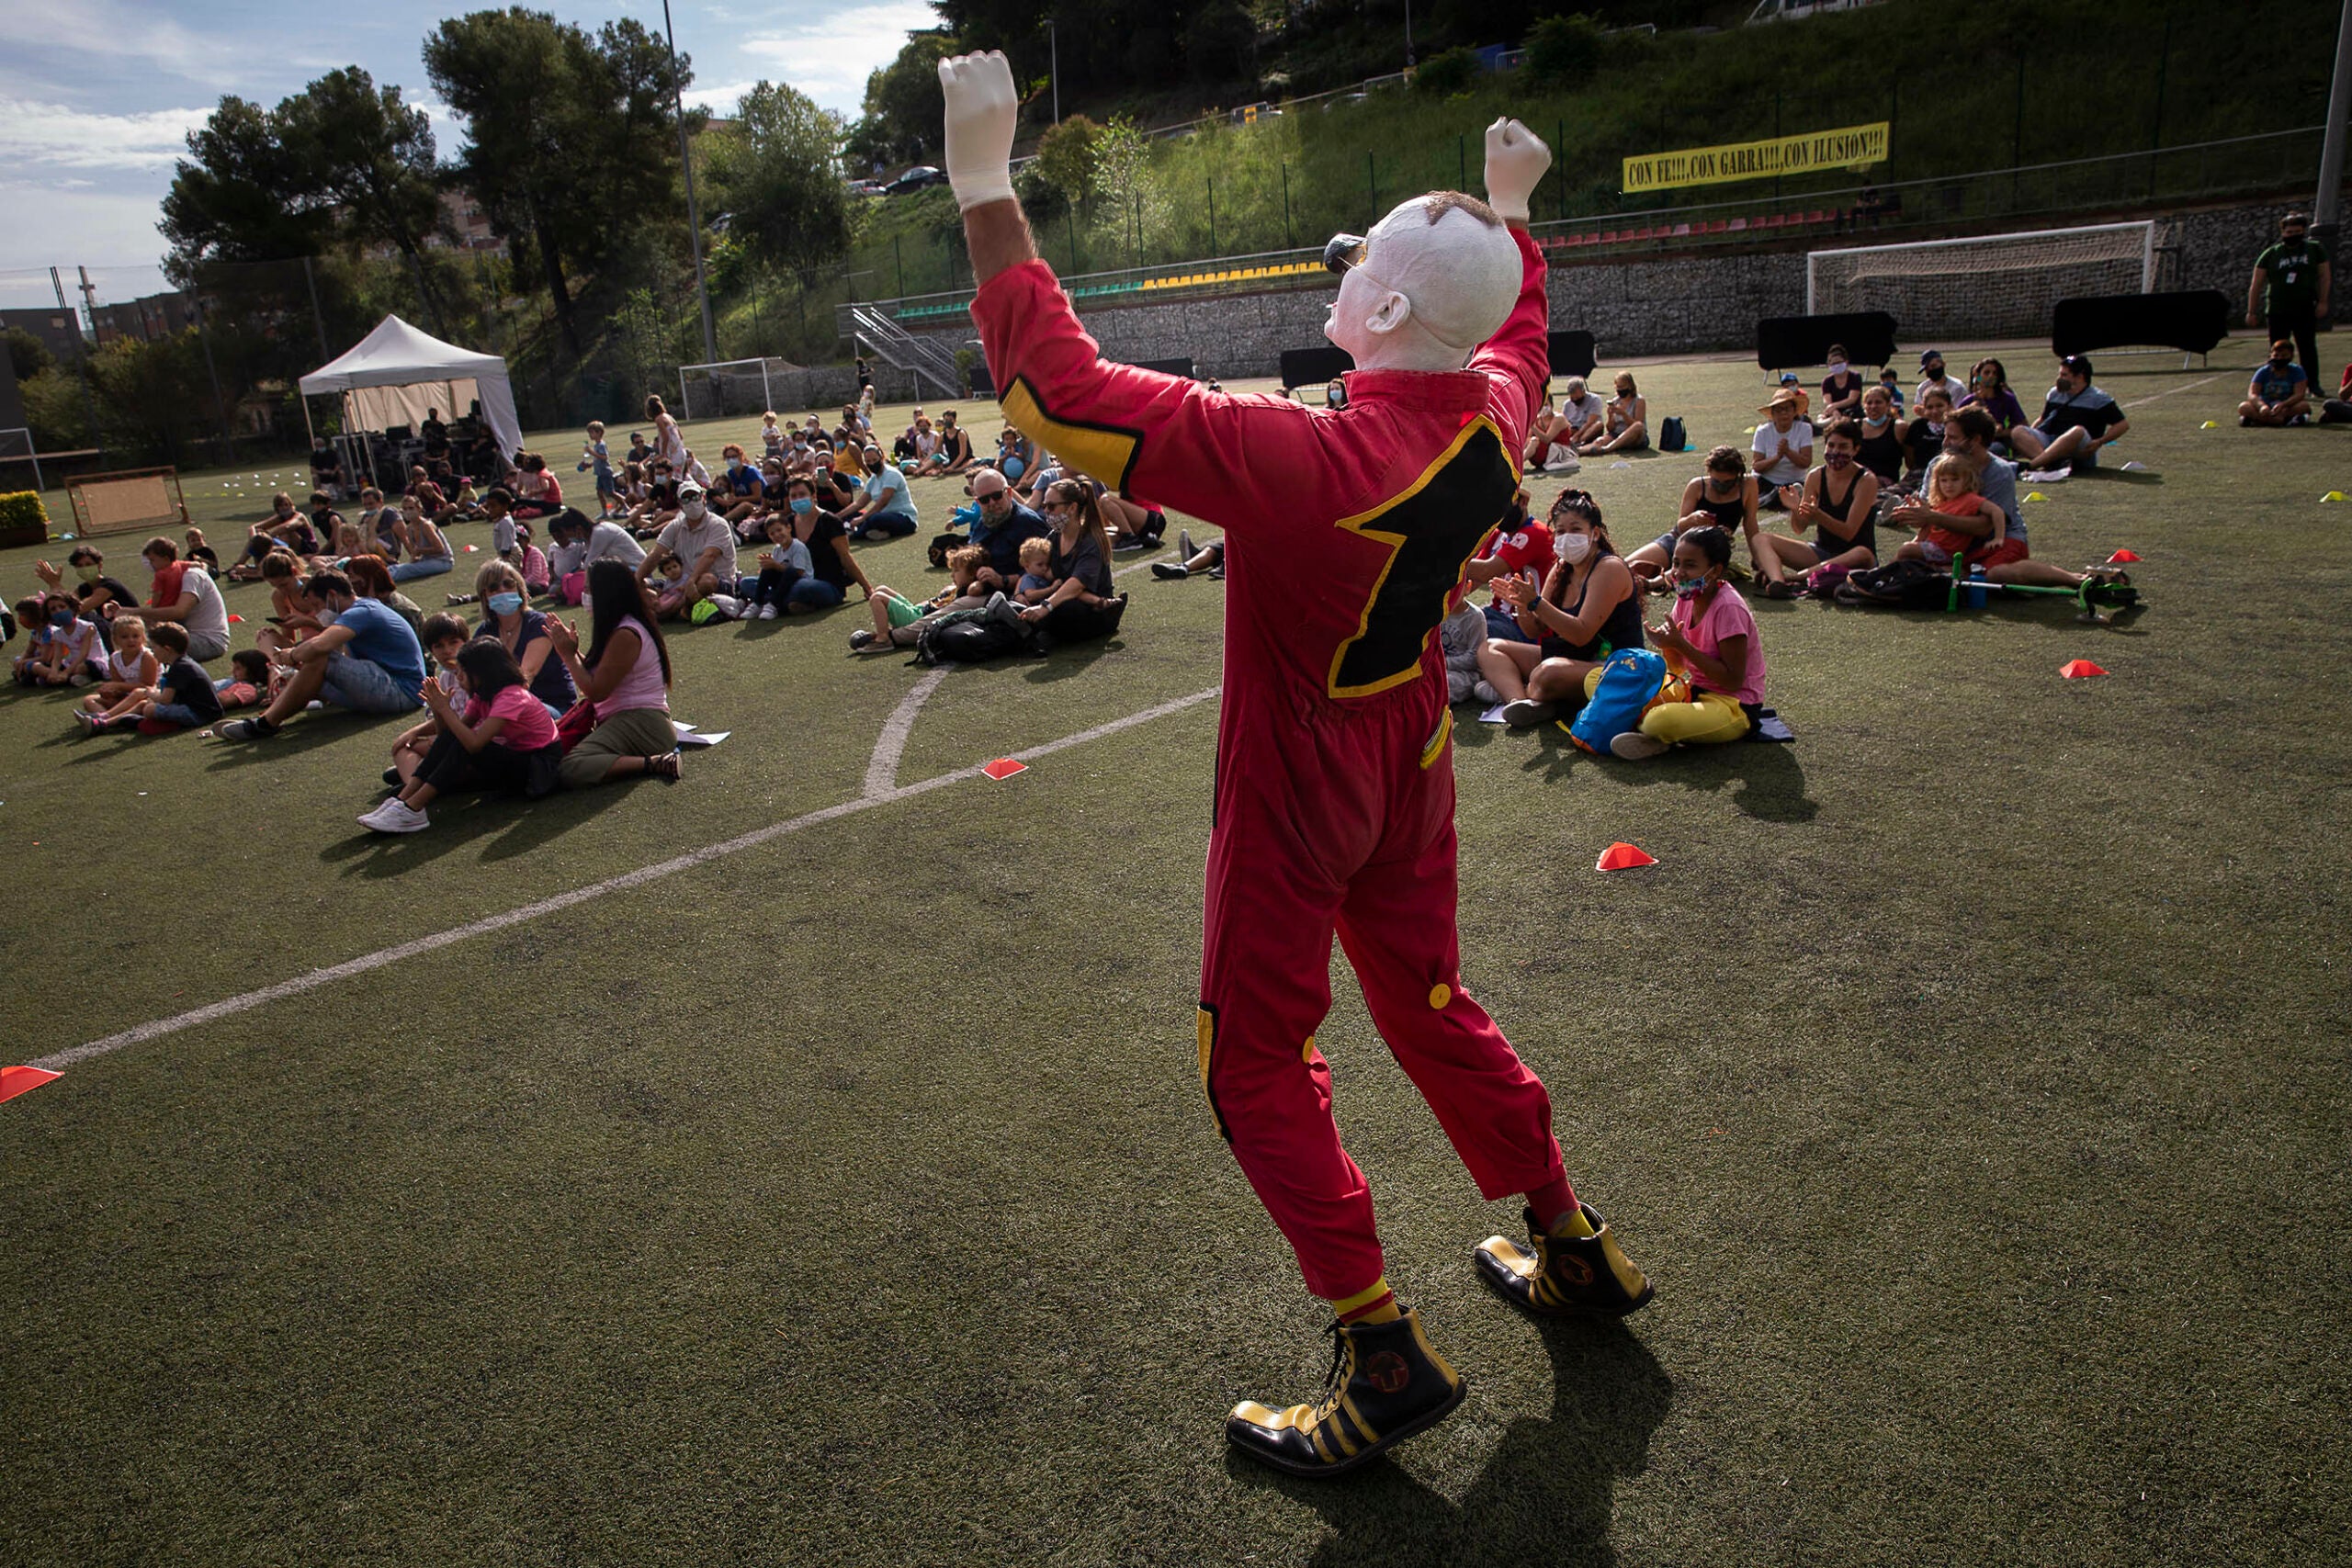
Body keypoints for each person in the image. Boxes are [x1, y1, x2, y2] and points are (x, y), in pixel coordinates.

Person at [942, 51, 1648, 1478]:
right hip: (1412, 742)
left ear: (1379, 308)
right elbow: (1515, 334)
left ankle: (1379, 1349)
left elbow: (1050, 393)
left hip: (1306, 762)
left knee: (1252, 1050)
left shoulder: (1306, 457)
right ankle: (1572, 1240)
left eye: (1355, 267)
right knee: (1435, 998)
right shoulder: (1493, 410)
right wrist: (1514, 221)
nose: (1339, 276)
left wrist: (981, 187)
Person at [1882, 406, 2111, 592]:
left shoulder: (1998, 471)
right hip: (1952, 542)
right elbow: (1929, 513)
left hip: (1998, 540)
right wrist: (1913, 515)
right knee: (1912, 559)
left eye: (1952, 438)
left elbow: (1983, 527)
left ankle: (2077, 579)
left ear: (1975, 440)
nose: (1944, 443)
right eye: (1945, 436)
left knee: (1994, 576)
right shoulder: (1938, 464)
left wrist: (1931, 516)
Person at [358, 637, 562, 833]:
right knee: (455, 739)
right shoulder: (483, 696)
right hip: (517, 758)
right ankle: (403, 800)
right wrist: (439, 711)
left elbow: (474, 745)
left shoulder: (511, 696)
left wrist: (446, 710)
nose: (458, 677)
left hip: (539, 767)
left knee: (465, 744)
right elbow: (449, 736)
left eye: (464, 671)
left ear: (484, 673)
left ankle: (413, 809)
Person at [1476, 489, 1642, 728]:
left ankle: (1539, 692)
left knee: (1547, 673)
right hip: (1570, 659)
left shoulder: (1609, 568)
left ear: (1594, 533)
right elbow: (1533, 630)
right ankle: (1522, 702)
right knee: (1489, 648)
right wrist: (1523, 606)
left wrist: (1535, 602)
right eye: (1561, 531)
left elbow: (1581, 634)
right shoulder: (1562, 567)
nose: (1566, 537)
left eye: (1575, 530)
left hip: (1613, 665)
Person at [1603, 525, 1765, 758]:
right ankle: (1652, 734)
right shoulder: (1688, 597)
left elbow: (1733, 681)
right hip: (1693, 692)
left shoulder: (1729, 608)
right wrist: (1668, 644)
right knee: (1603, 678)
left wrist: (1681, 645)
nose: (1678, 572)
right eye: (1676, 563)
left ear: (1715, 570)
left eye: (1690, 565)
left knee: (1659, 720)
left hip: (1733, 705)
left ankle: (1653, 732)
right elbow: (1678, 668)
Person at [219, 570, 425, 740]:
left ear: (333, 595)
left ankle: (265, 724)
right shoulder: (362, 610)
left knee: (319, 656)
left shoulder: (362, 611)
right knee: (310, 666)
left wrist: (288, 656)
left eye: (317, 605)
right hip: (394, 690)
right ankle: (270, 716)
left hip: (402, 692)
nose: (317, 613)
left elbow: (320, 647)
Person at [546, 559, 681, 788]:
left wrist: (568, 656)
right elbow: (598, 677)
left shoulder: (626, 634)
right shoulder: (621, 628)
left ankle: (653, 762)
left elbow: (596, 691)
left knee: (571, 766)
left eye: (589, 589)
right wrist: (574, 652)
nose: (585, 595)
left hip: (642, 724)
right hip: (630, 720)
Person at [1754, 417, 1878, 597]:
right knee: (1761, 539)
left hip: (1856, 558)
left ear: (1856, 449)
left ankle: (1795, 578)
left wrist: (1818, 514)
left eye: (1843, 447)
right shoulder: (1816, 476)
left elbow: (1849, 532)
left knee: (1862, 553)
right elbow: (1799, 528)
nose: (1835, 452)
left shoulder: (1866, 480)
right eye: (1831, 446)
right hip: (1822, 554)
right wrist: (1795, 509)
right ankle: (1778, 582)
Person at [999, 478, 1124, 643]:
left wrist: (1045, 607)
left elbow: (1076, 584)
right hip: (1060, 598)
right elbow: (1031, 568)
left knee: (1065, 608)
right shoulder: (1055, 537)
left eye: (1051, 506)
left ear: (1072, 508)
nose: (1046, 512)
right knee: (1022, 600)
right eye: (1044, 506)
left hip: (1089, 613)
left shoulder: (1091, 541)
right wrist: (1019, 593)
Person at [1633, 445, 1757, 586]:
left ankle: (1653, 583)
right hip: (1679, 541)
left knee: (1688, 570)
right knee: (1626, 567)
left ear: (1738, 475)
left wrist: (1758, 557)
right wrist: (1692, 520)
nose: (1722, 486)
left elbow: (1750, 524)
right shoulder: (1697, 485)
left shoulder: (1748, 484)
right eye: (1717, 481)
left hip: (1708, 552)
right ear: (1709, 472)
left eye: (1728, 482)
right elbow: (1680, 525)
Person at [473, 559, 575, 712]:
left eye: (508, 584)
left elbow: (526, 677)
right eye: (493, 587)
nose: (502, 590)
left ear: (519, 588)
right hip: (508, 707)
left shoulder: (539, 623)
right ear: (485, 596)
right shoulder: (484, 632)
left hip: (553, 707)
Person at [386, 613, 471, 789]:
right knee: (402, 746)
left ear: (466, 642)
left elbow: (466, 726)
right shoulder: (447, 678)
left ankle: (418, 784)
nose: (447, 650)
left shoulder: (476, 675)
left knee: (428, 750)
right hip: (454, 741)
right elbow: (444, 728)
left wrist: (436, 733)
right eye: (439, 646)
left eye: (453, 642)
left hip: (473, 745)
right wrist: (417, 730)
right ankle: (415, 786)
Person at [2248, 209, 2330, 389]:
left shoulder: (2314, 249)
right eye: (2289, 232)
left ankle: (2312, 384)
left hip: (2304, 307)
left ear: (2303, 231)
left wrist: (2323, 301)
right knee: (2277, 350)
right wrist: (2251, 311)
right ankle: (2275, 386)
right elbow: (2256, 283)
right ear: (2283, 232)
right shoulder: (2271, 254)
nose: (2293, 235)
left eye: (2297, 232)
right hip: (2278, 309)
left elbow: (2324, 276)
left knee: (2307, 347)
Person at [638, 481, 737, 619]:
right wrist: (636, 582)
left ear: (703, 498)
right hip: (680, 581)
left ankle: (668, 611)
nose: (692, 502)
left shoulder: (717, 524)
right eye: (686, 499)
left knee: (706, 581)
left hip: (713, 581)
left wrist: (691, 581)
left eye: (695, 497)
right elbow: (656, 554)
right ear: (680, 504)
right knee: (641, 582)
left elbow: (710, 556)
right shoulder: (676, 526)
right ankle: (675, 608)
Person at [100, 622, 221, 735]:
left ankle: (114, 722)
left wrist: (152, 694)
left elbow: (165, 700)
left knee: (150, 709)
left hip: (200, 714)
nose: (153, 653)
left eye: (154, 648)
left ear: (167, 649)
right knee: (145, 704)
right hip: (195, 708)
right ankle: (105, 722)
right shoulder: (180, 663)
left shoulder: (180, 667)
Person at [1894, 453, 2009, 570]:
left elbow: (1997, 511)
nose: (1949, 485)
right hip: (1932, 546)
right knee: (1906, 552)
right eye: (1944, 481)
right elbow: (1928, 529)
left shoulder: (1970, 499)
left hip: (1946, 551)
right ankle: (1889, 571)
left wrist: (1998, 538)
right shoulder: (1942, 501)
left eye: (1955, 480)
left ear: (1966, 480)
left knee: (1906, 550)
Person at [125, 536, 232, 662]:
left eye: (152, 560)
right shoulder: (176, 571)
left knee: (143, 646)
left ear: (165, 559)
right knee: (137, 637)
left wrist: (136, 612)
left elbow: (179, 612)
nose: (151, 565)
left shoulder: (192, 576)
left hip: (209, 641)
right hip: (188, 633)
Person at [964, 467, 1051, 595]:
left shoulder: (1027, 522)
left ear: (1009, 492)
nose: (992, 503)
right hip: (978, 588)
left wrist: (1003, 580)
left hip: (1010, 595)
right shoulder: (985, 520)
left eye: (997, 496)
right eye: (984, 500)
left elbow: (1047, 567)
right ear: (977, 502)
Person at [74, 612, 159, 728]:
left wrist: (117, 686)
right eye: (125, 637)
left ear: (143, 637)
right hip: (126, 698)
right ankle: (113, 720)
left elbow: (148, 685)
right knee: (89, 700)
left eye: (135, 636)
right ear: (116, 639)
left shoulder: (146, 656)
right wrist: (111, 691)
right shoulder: (115, 658)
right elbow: (119, 685)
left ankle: (104, 719)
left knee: (138, 692)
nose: (131, 640)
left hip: (148, 697)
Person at [34, 545, 141, 626]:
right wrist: (53, 584)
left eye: (88, 564)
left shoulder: (109, 585)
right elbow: (63, 604)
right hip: (115, 628)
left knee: (87, 617)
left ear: (99, 566)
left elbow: (78, 609)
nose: (84, 568)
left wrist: (55, 583)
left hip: (132, 626)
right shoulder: (83, 589)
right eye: (80, 566)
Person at [1750, 389, 1814, 508]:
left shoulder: (1804, 429)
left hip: (1794, 481)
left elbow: (1806, 462)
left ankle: (1788, 496)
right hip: (1767, 482)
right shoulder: (1763, 432)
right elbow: (1757, 466)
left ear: (1794, 411)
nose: (1784, 413)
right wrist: (1777, 457)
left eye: (1787, 409)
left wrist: (1788, 452)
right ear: (1773, 414)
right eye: (1779, 410)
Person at [743, 513, 812, 620]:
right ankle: (759, 603)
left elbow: (798, 573)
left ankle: (774, 604)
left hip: (800, 584)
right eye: (772, 534)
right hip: (781, 586)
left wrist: (774, 565)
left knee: (790, 572)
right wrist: (766, 565)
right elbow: (775, 571)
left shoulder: (797, 546)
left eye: (779, 530)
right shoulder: (777, 549)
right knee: (745, 582)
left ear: (789, 528)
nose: (776, 535)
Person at [841, 446, 921, 538]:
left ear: (881, 458)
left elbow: (883, 501)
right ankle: (879, 532)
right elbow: (859, 504)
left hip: (904, 518)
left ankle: (854, 535)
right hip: (884, 516)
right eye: (868, 461)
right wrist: (837, 516)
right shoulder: (873, 480)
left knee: (875, 518)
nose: (872, 463)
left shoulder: (891, 474)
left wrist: (862, 518)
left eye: (874, 460)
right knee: (852, 514)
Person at [1957, 358, 2033, 451]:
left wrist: (2001, 433)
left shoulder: (2007, 399)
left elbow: (2023, 426)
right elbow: (1956, 425)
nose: (1991, 376)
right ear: (1978, 376)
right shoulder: (1969, 401)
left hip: (1998, 443)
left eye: (1995, 373)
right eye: (1986, 373)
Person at [2238, 339, 2312, 428]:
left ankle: (2259, 420)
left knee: (2304, 406)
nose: (2279, 358)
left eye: (2284, 355)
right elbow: (2252, 394)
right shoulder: (2263, 371)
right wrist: (2262, 406)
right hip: (2266, 406)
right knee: (2244, 407)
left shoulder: (2297, 371)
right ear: (2271, 356)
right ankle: (2283, 420)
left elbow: (2299, 394)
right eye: (2276, 355)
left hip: (2287, 406)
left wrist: (2283, 405)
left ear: (2291, 356)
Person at [1900, 386, 1954, 491]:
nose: (1935, 411)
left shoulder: (1955, 428)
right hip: (1918, 475)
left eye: (1939, 406)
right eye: (1929, 407)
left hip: (1947, 477)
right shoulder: (1917, 426)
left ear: (1949, 406)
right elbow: (1909, 459)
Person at [1581, 372, 1647, 454]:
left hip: (1634, 437)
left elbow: (1638, 426)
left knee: (1638, 425)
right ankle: (1579, 450)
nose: (1620, 390)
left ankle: (1607, 449)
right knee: (1599, 441)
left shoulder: (1639, 400)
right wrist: (1610, 416)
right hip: (1617, 434)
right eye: (1618, 387)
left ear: (1630, 386)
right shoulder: (1616, 401)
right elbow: (1610, 429)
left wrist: (1624, 414)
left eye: (1622, 387)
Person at [390, 502, 455, 583]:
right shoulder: (409, 529)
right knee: (393, 568)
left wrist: (420, 551)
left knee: (406, 570)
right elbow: (415, 553)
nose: (408, 512)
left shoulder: (426, 525)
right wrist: (414, 558)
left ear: (419, 509)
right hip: (426, 560)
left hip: (442, 561)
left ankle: (382, 581)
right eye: (405, 509)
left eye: (411, 508)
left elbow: (440, 549)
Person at [1856, 384, 1905, 484]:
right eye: (1869, 403)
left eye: (1878, 402)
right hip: (1858, 482)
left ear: (1888, 405)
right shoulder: (1855, 426)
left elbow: (1911, 463)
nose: (1873, 406)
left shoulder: (1899, 428)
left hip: (1887, 486)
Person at [1914, 349, 1964, 414]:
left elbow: (1956, 413)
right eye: (1927, 368)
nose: (1931, 370)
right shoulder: (1922, 388)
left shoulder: (1957, 387)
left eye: (1933, 366)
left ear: (1943, 364)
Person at [1819, 344, 1863, 418]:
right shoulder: (1827, 381)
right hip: (1833, 414)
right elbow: (1827, 401)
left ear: (1846, 362)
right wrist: (1834, 411)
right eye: (1833, 364)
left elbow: (1852, 399)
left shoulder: (1855, 377)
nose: (1836, 365)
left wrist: (1834, 406)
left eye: (1838, 362)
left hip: (1854, 413)